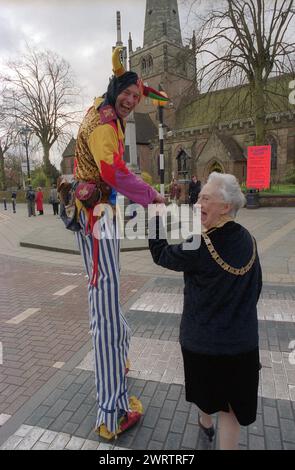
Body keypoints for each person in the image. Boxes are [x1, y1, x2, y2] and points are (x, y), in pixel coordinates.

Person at [71, 47, 166, 439]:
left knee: (109, 308)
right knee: (106, 317)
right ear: (115, 91)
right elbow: (114, 171)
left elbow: (114, 169)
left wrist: (120, 74)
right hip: (97, 224)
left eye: (136, 97)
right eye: (127, 94)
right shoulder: (105, 127)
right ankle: (112, 413)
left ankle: (119, 362)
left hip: (92, 216)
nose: (131, 100)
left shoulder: (103, 108)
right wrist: (151, 196)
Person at [149, 172, 262, 450]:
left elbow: (161, 254)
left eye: (205, 198)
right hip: (242, 345)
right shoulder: (249, 239)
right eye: (198, 197)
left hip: (203, 343)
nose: (198, 203)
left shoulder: (199, 243)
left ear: (225, 207)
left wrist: (154, 216)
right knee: (231, 408)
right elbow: (255, 289)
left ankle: (205, 423)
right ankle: (210, 427)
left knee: (206, 391)